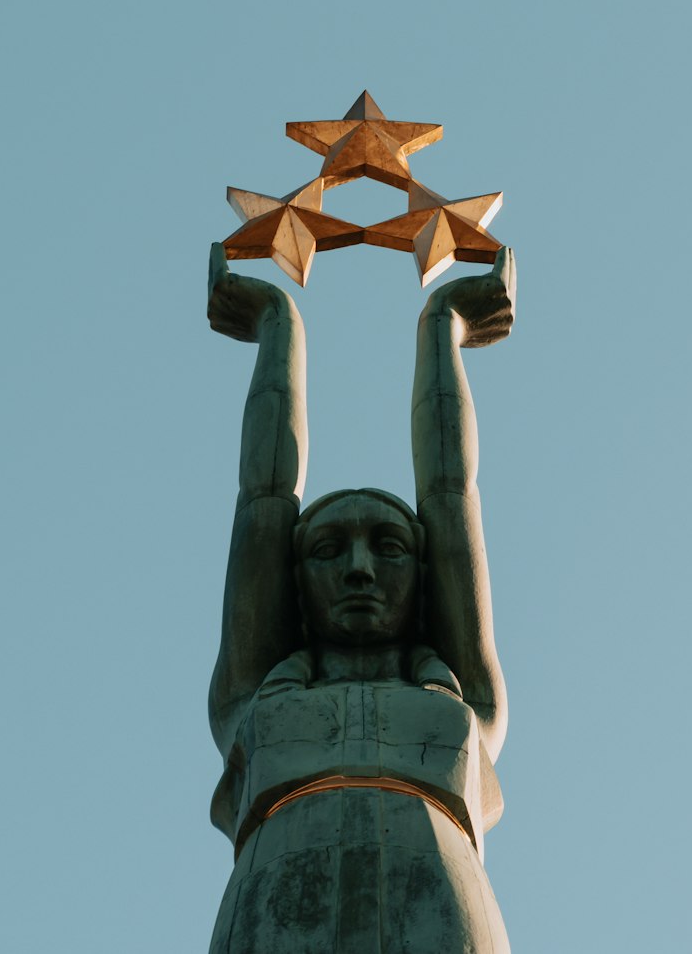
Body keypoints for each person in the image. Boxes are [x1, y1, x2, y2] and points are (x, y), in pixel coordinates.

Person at [205, 240, 516, 952]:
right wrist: (278, 326)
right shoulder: (253, 696)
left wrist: (443, 326)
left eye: (388, 547)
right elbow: (265, 495)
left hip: (441, 899)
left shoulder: (466, 695)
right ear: (294, 582)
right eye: (326, 551)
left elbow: (450, 492)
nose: (357, 570)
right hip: (276, 904)